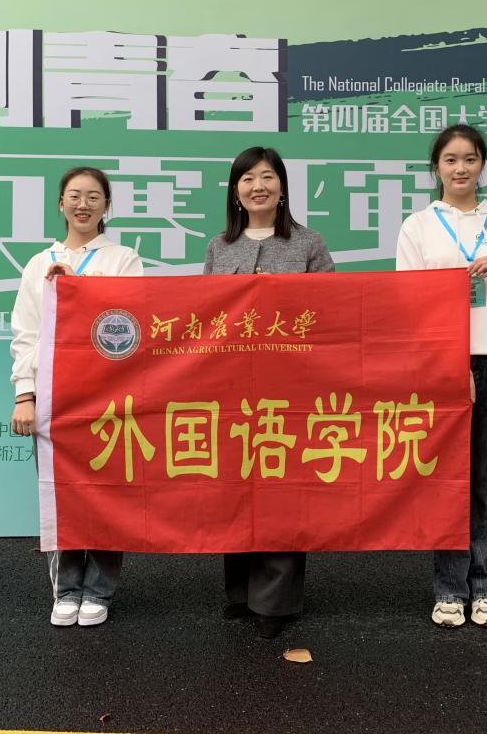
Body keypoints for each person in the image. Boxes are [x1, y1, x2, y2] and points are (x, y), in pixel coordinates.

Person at [395, 124, 487, 629]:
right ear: (436, 167)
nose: (461, 169)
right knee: (449, 482)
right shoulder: (419, 227)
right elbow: (410, 306)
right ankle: (450, 591)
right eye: (451, 159)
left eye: (471, 159)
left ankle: (486, 588)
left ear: (482, 166)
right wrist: (450, 363)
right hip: (446, 366)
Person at [202, 146, 334, 638]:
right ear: (235, 191)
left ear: (282, 187)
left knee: (281, 490)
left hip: (291, 387)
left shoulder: (308, 243)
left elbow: (332, 312)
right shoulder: (219, 247)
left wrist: (277, 296)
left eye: (267, 177)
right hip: (232, 388)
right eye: (247, 179)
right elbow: (206, 316)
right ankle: (240, 593)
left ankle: (276, 603)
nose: (258, 186)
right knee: (234, 488)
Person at [9, 166, 143, 628]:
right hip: (53, 397)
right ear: (60, 204)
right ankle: (66, 588)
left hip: (109, 397)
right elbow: (26, 334)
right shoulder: (38, 263)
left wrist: (76, 289)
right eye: (74, 195)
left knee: (108, 496)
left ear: (107, 205)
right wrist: (24, 394)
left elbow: (127, 325)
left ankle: (99, 591)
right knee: (60, 493)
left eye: (93, 196)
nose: (83, 204)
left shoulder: (124, 259)